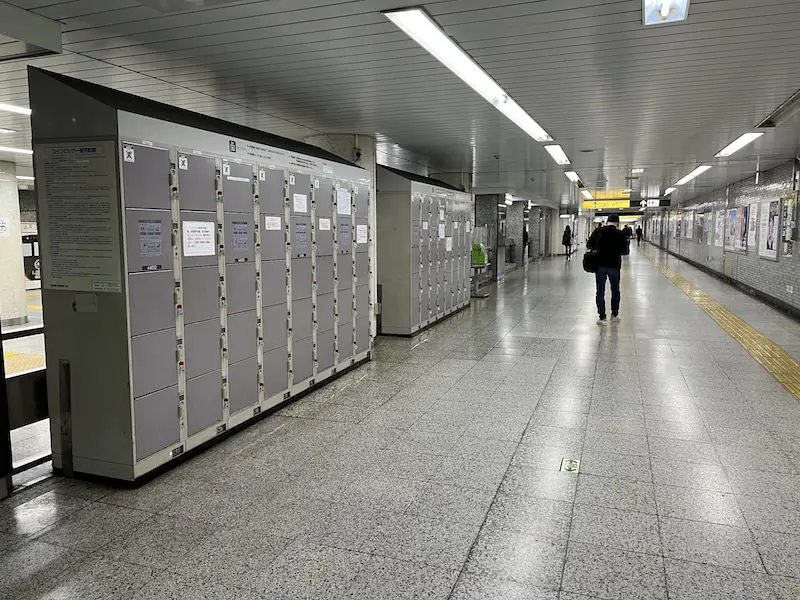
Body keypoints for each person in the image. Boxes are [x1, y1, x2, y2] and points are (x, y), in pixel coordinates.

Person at [587, 214, 630, 323]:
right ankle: (614, 313)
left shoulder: (598, 231)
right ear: (617, 223)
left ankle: (602, 316)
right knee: (615, 290)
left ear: (607, 221)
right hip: (614, 266)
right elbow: (625, 251)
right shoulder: (620, 234)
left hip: (600, 266)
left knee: (600, 290)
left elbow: (589, 245)